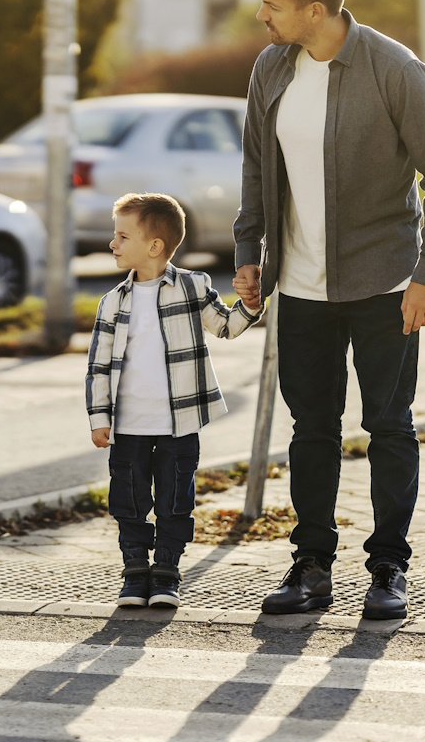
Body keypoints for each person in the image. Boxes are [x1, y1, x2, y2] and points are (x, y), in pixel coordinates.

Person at [232, 0, 425, 620]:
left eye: (272, 5)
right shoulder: (270, 69)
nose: (260, 15)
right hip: (301, 287)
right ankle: (311, 566)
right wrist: (251, 254)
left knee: (389, 424)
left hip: (386, 282)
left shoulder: (395, 70)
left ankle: (389, 567)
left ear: (313, 9)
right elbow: (255, 167)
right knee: (311, 428)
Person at [87, 193, 262, 608]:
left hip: (179, 424)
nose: (113, 244)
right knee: (128, 501)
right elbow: (97, 367)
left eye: (122, 236)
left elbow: (225, 327)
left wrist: (250, 305)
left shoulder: (191, 286)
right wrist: (98, 417)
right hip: (128, 424)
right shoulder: (113, 302)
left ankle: (166, 571)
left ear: (154, 246)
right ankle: (134, 572)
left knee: (174, 500)